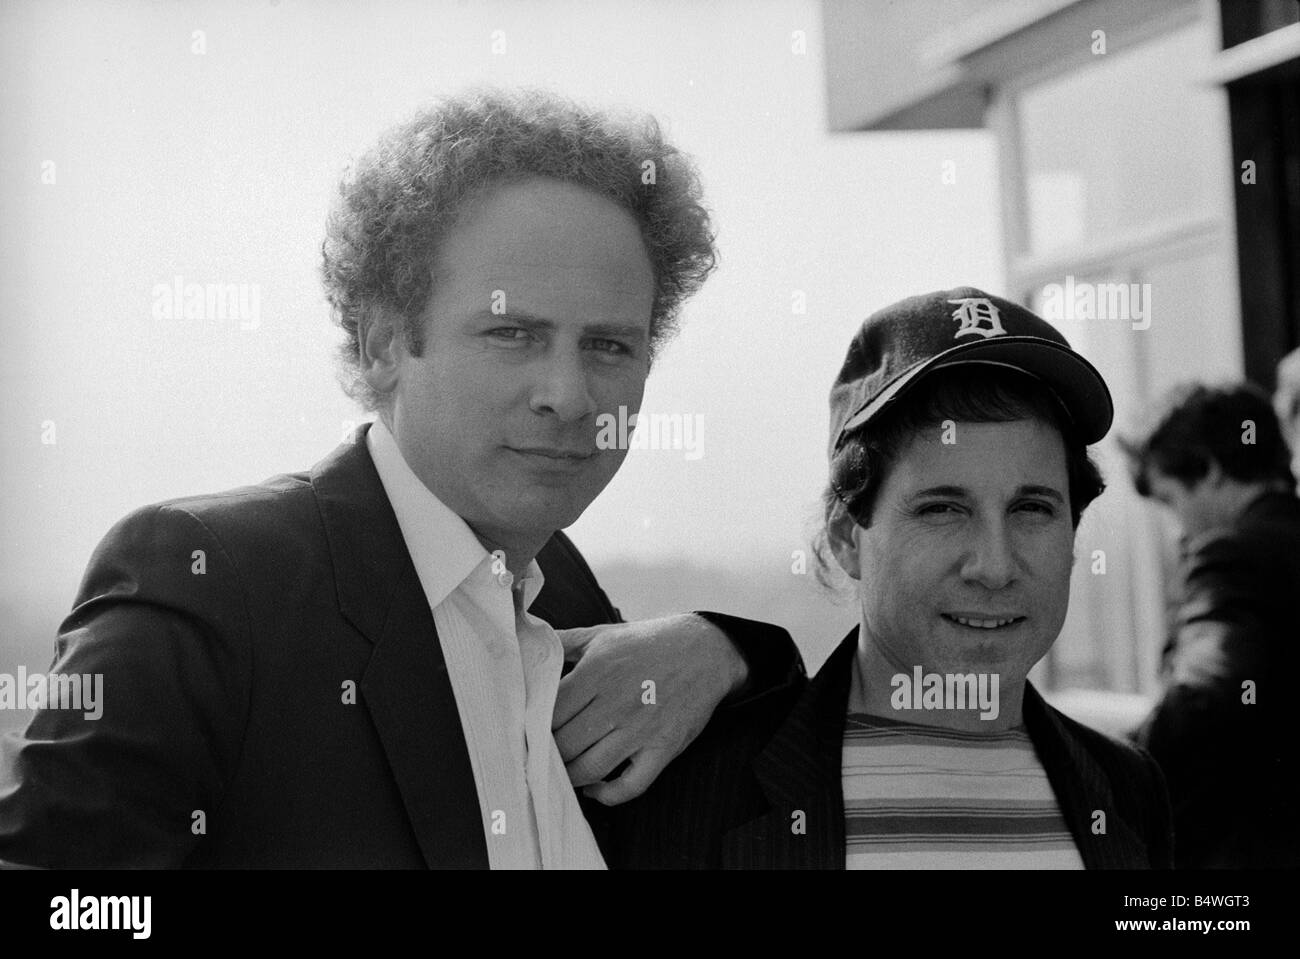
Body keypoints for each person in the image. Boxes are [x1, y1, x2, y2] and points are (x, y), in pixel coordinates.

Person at [0, 90, 802, 869]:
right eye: (513, 333)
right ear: (384, 343)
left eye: (609, 346)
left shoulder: (566, 598)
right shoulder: (209, 583)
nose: (569, 394)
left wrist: (734, 650)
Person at [601, 287, 1173, 869]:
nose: (995, 567)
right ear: (848, 536)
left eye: (1032, 509)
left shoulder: (1126, 787)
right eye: (943, 509)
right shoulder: (690, 787)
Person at [1122, 382, 1300, 868]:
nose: (1179, 529)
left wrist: (1109, 774)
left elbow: (1204, 699)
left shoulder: (1234, 554)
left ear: (1211, 470)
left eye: (1172, 501)